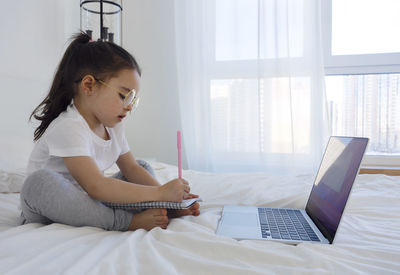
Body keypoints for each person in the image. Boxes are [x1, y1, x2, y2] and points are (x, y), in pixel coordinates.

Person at [19, 32, 200, 232]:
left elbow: (131, 168)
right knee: (39, 183)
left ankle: (163, 209)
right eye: (124, 96)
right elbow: (97, 186)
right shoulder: (69, 126)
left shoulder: (114, 126)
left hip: (88, 200)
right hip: (47, 208)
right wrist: (160, 193)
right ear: (89, 85)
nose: (129, 106)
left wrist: (169, 200)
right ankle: (125, 221)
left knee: (142, 166)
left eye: (133, 99)